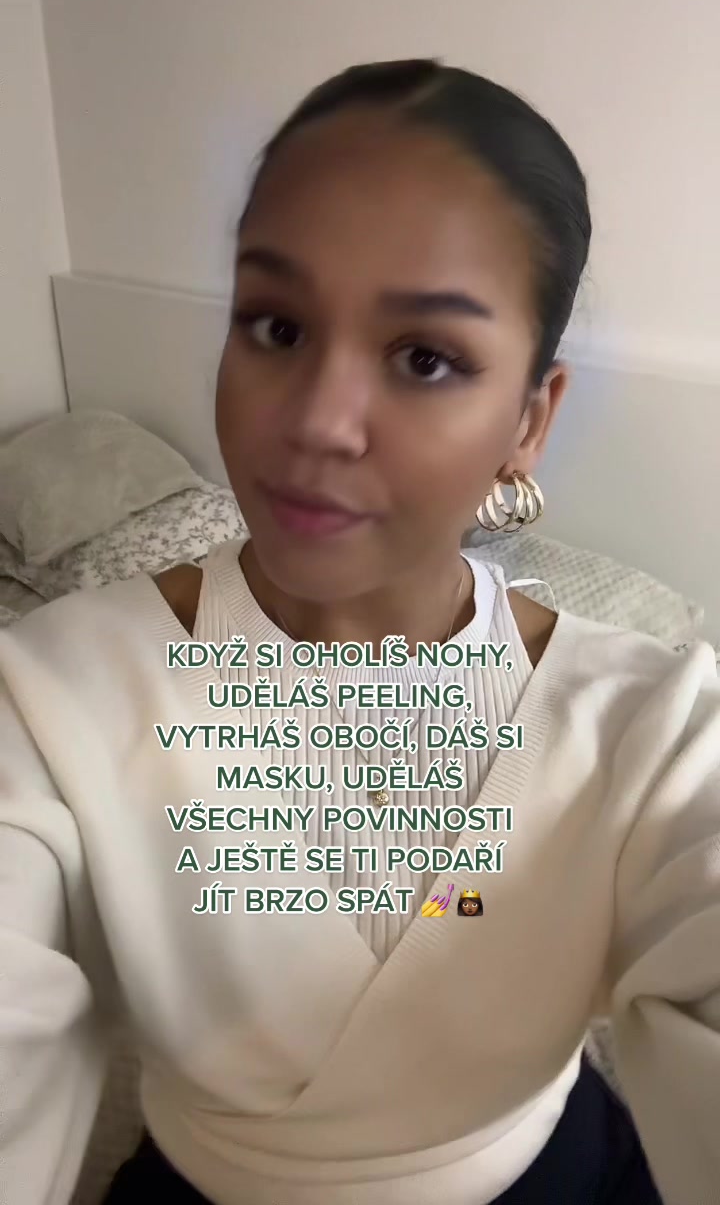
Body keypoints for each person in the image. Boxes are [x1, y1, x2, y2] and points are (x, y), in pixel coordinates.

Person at [1, 59, 718, 1205]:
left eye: (424, 357)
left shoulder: (653, 727)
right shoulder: (53, 693)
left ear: (529, 420)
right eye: (276, 325)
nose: (317, 421)